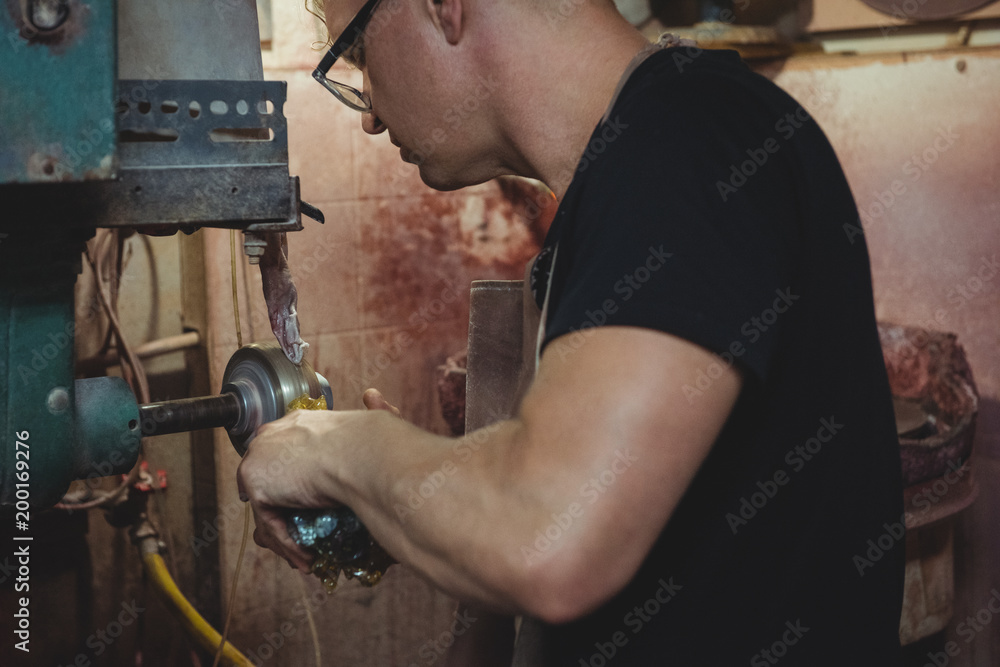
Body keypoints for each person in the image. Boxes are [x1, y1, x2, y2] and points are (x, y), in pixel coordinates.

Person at [237, 1, 905, 664]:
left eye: (357, 52)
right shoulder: (631, 167)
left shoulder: (688, 143)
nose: (371, 113)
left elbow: (552, 538)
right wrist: (397, 495)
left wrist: (340, 449)